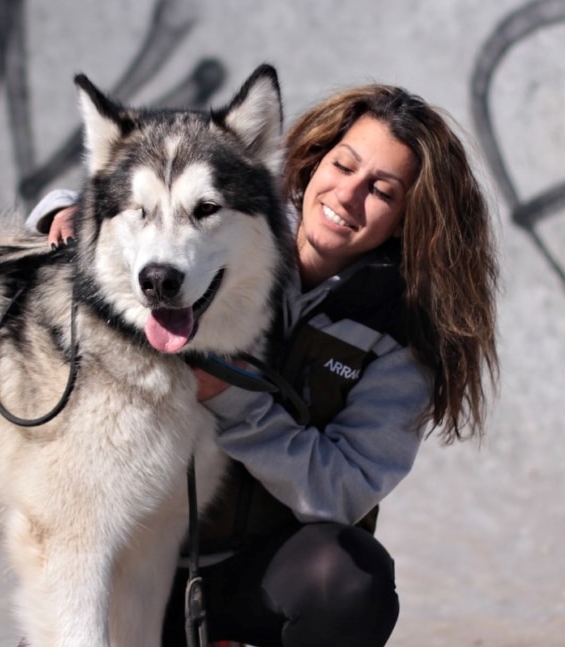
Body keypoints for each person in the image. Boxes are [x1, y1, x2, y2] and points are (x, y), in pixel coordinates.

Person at [26, 83, 500, 647]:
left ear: (407, 217)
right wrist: (64, 212)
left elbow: (344, 489)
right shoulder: (240, 222)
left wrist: (228, 395)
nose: (347, 195)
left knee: (349, 580)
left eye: (380, 189)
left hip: (262, 575)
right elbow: (150, 186)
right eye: (343, 165)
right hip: (136, 560)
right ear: (316, 159)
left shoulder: (398, 337)